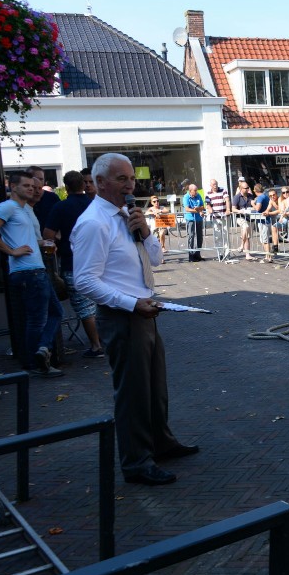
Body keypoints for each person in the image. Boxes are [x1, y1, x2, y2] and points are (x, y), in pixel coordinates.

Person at [72, 153, 198, 487]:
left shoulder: (127, 216)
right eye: (121, 179)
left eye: (131, 178)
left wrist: (145, 231)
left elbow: (155, 260)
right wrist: (130, 303)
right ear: (100, 183)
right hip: (123, 316)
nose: (130, 185)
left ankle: (161, 442)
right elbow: (84, 280)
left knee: (154, 388)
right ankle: (136, 462)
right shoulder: (93, 222)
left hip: (144, 311)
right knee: (132, 393)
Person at [0, 171, 64, 377]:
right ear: (13, 186)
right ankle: (34, 364)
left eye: (33, 186)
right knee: (37, 319)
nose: (31, 189)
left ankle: (42, 350)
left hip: (36, 268)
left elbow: (26, 238)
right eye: (26, 186)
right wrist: (10, 251)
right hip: (28, 271)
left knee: (56, 312)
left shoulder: (26, 209)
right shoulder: (7, 206)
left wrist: (43, 243)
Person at [43, 170, 105, 358]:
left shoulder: (61, 208)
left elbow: (48, 234)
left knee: (84, 306)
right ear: (83, 185)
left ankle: (96, 346)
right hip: (100, 261)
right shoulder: (95, 205)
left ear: (66, 187)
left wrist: (62, 237)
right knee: (101, 302)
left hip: (73, 262)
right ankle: (106, 339)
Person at [205, 179, 231, 256]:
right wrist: (209, 208)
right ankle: (220, 253)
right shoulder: (208, 193)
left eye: (216, 184)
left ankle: (227, 253)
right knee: (217, 236)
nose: (215, 186)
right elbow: (208, 203)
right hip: (215, 217)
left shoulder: (223, 190)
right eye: (213, 184)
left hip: (224, 216)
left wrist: (228, 209)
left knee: (226, 235)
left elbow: (227, 200)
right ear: (210, 186)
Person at [233, 178, 256, 260]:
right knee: (245, 227)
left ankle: (247, 255)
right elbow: (233, 209)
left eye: (248, 187)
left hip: (250, 218)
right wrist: (240, 211)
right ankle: (242, 245)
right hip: (241, 217)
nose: (247, 189)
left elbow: (254, 205)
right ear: (240, 188)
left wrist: (253, 208)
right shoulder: (237, 197)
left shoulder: (250, 196)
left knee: (248, 236)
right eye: (245, 188)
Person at [183, 184, 206, 262]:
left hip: (199, 219)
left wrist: (199, 208)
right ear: (190, 191)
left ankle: (198, 254)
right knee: (191, 236)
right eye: (195, 190)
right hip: (190, 219)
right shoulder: (186, 197)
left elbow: (203, 206)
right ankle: (191, 255)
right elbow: (187, 209)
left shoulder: (198, 195)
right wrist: (197, 210)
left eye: (197, 190)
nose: (196, 192)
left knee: (200, 236)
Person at [252, 183, 274, 262]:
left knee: (265, 239)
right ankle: (267, 254)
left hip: (263, 221)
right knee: (263, 238)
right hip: (264, 220)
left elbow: (257, 208)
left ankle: (268, 257)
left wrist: (252, 204)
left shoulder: (260, 197)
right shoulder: (265, 196)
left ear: (255, 191)